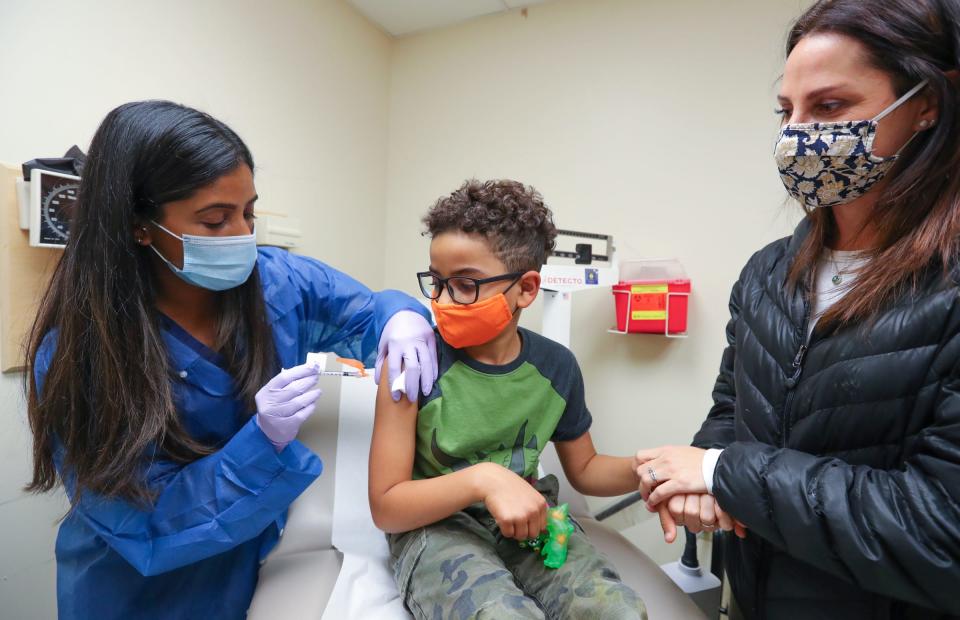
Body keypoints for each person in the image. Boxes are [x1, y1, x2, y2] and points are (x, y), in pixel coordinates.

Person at [25, 100, 438, 619]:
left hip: (254, 567)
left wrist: (401, 316)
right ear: (139, 225)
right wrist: (262, 445)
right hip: (140, 593)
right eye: (216, 220)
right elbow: (146, 527)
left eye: (248, 212)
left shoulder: (275, 281)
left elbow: (364, 311)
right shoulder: (80, 356)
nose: (243, 235)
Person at [633, 1, 960, 617]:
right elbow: (733, 410)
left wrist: (724, 473)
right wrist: (706, 471)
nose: (796, 136)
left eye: (830, 107)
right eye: (787, 112)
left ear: (926, 106)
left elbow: (943, 529)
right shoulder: (767, 273)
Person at [368, 179, 647, 619]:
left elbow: (587, 470)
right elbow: (386, 506)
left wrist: (648, 470)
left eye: (464, 284)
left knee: (616, 612)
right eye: (435, 282)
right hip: (436, 528)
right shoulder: (413, 363)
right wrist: (485, 480)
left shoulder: (556, 368)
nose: (441, 301)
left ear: (527, 289)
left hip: (529, 521)